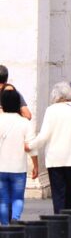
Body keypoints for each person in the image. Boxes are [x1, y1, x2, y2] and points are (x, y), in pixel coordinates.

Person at [28, 82, 71, 212]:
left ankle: (58, 224)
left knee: (58, 194)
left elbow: (43, 136)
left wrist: (30, 145)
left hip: (55, 159)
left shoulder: (51, 109)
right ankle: (70, 222)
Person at [0, 88, 37, 224]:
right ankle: (15, 218)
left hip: (1, 168)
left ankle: (4, 225)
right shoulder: (25, 123)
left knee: (3, 200)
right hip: (18, 168)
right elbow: (31, 147)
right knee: (17, 198)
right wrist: (36, 166)